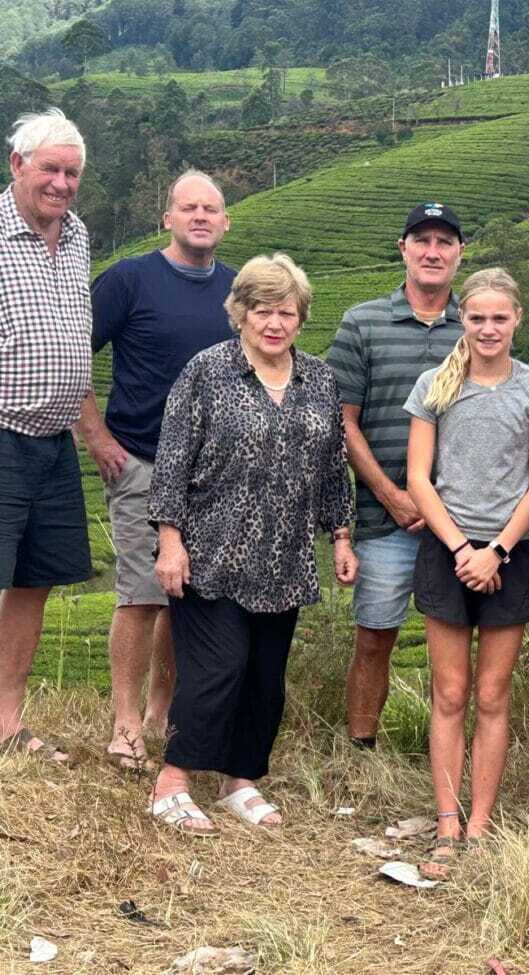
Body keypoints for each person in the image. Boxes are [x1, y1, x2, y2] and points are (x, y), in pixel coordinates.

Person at [147, 253, 357, 834]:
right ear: (239, 313)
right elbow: (171, 463)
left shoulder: (317, 378)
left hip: (284, 558)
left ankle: (241, 780)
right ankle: (173, 780)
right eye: (262, 311)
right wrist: (170, 541)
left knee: (265, 676)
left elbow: (331, 465)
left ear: (300, 317)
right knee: (217, 667)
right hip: (210, 552)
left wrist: (340, 536)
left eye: (286, 313)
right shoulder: (207, 372)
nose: (274, 324)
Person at [404, 268, 529, 876]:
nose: (488, 328)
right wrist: (460, 550)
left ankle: (481, 820)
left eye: (500, 318)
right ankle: (447, 816)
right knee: (449, 693)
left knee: (493, 694)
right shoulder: (434, 386)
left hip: (510, 551)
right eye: (477, 318)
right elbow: (420, 476)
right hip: (448, 549)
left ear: (517, 319)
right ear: (461, 320)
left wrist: (495, 550)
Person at [76, 169, 236, 772]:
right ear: (166, 218)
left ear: (225, 222)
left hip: (213, 478)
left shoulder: (236, 289)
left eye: (210, 209)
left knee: (185, 600)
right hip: (141, 460)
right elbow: (75, 353)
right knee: (142, 597)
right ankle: (124, 726)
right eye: (187, 207)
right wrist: (96, 438)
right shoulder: (128, 280)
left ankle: (160, 715)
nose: (199, 216)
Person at [327, 202, 465, 751]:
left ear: (459, 253)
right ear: (403, 248)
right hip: (385, 519)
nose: (433, 252)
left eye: (444, 242)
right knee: (375, 636)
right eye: (422, 241)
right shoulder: (363, 322)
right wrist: (391, 495)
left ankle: (446, 754)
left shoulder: (475, 322)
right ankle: (362, 749)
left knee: (453, 644)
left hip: (459, 519)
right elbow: (342, 422)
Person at [0, 108, 92, 765]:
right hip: (2, 433)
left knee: (34, 583)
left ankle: (6, 721)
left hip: (54, 441)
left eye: (71, 172)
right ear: (17, 165)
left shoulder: (79, 234)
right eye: (50, 168)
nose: (60, 183)